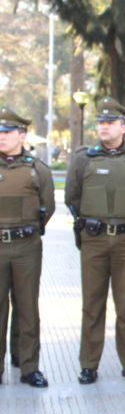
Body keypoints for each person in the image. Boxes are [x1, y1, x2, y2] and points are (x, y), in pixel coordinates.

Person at [65, 97, 125, 384]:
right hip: (93, 239)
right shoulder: (83, 158)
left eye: (109, 123)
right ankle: (88, 364)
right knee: (92, 305)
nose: (103, 127)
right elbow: (72, 196)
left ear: (123, 126)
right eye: (100, 123)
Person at [0, 107, 55, 387]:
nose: (1, 137)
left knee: (27, 307)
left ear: (22, 136)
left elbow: (47, 207)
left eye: (7, 132)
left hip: (26, 247)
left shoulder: (36, 169)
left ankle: (28, 366)